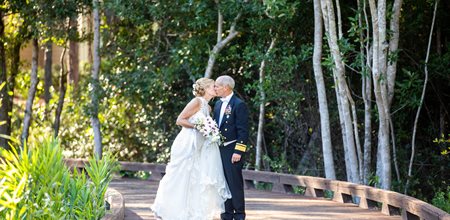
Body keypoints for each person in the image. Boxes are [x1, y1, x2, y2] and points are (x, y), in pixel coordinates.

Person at [151, 78, 232, 220]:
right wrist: (199, 127)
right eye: (213, 86)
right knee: (181, 173)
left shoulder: (208, 107)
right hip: (187, 142)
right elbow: (180, 120)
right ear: (205, 88)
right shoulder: (197, 102)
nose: (215, 88)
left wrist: (208, 130)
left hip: (199, 145)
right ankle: (167, 208)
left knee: (194, 176)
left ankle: (189, 211)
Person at [214, 75, 249, 220]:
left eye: (217, 86)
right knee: (223, 183)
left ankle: (239, 215)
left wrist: (238, 151)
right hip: (218, 150)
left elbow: (243, 130)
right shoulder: (217, 104)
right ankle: (226, 214)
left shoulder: (238, 104)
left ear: (226, 87)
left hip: (232, 149)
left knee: (234, 183)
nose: (215, 88)